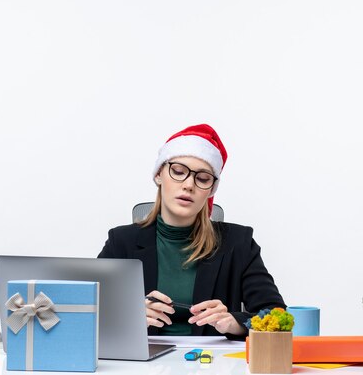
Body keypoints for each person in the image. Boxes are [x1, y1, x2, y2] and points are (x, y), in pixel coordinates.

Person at [98, 124, 285, 339]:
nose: (189, 185)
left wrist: (235, 323)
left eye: (203, 178)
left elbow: (277, 314)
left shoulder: (238, 243)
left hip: (213, 365)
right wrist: (128, 314)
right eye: (178, 172)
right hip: (142, 364)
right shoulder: (121, 241)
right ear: (159, 175)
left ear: (210, 190)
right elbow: (90, 310)